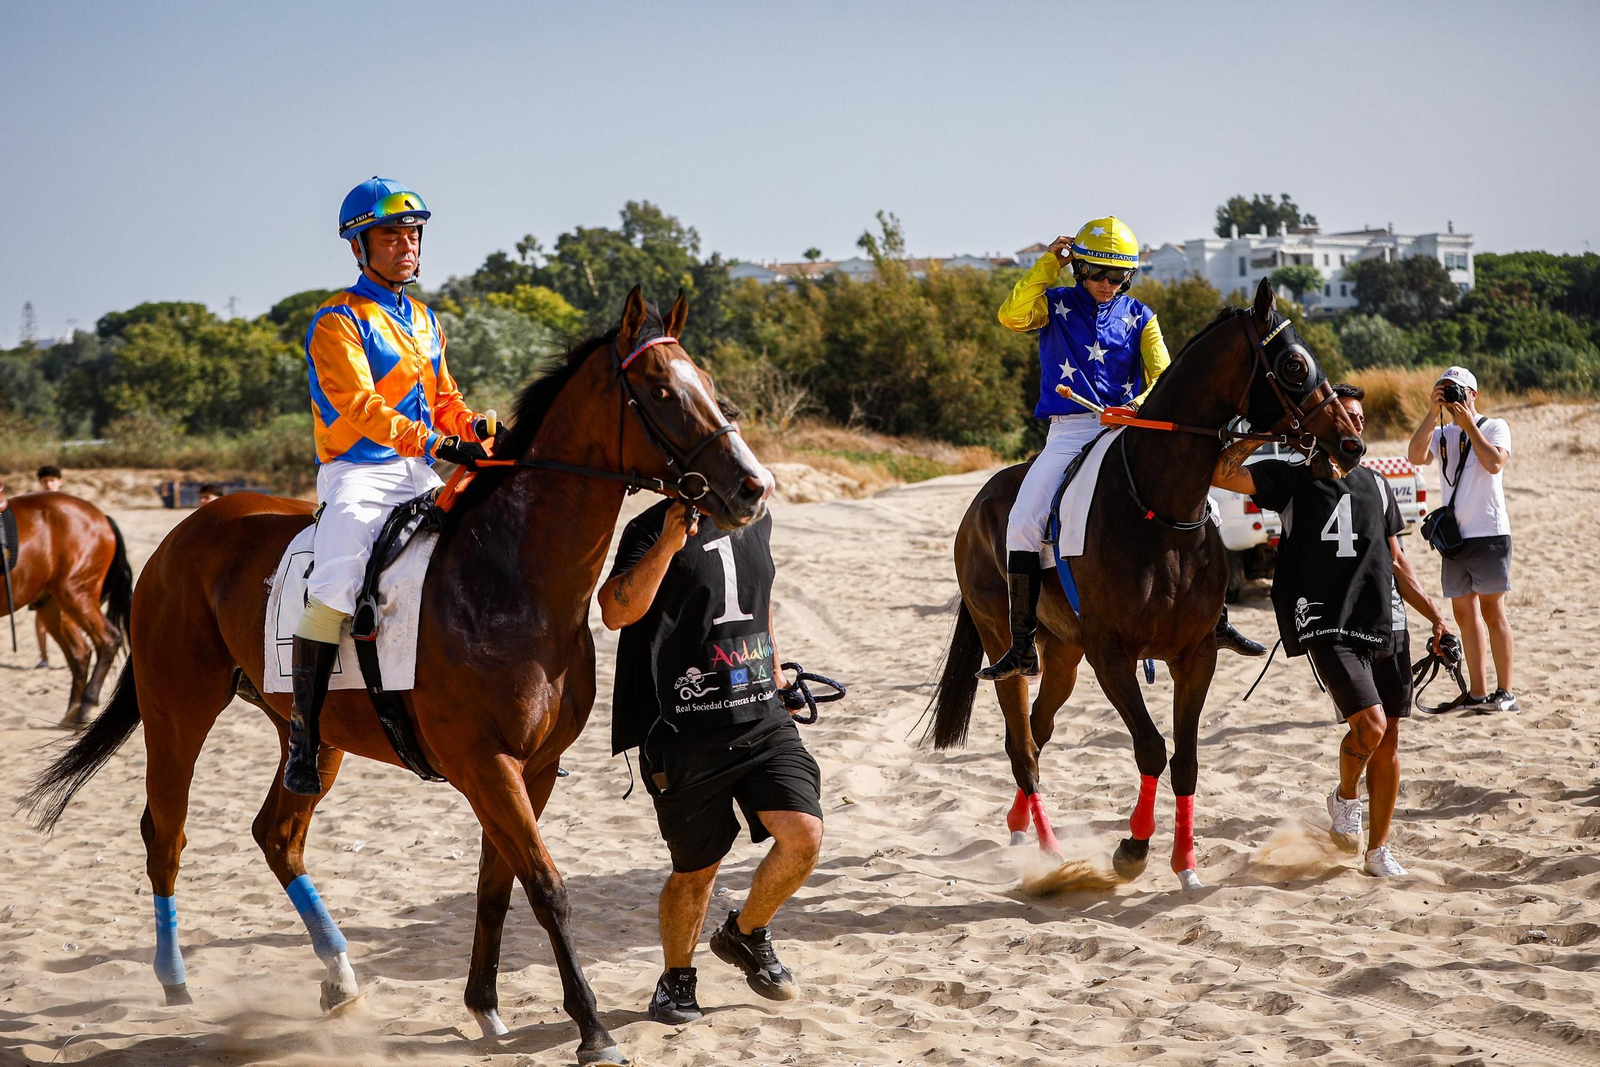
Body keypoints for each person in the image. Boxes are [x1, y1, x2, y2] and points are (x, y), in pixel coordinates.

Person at [979, 216, 1262, 681]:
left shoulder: (1141, 317)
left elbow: (1164, 379)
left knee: (1206, 507)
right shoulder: (1053, 305)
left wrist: (1133, 405)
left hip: (1129, 428)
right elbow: (1010, 315)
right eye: (1097, 274)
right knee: (1024, 521)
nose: (1108, 284)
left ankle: (1219, 621)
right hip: (1070, 431)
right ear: (1078, 268)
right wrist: (1049, 262)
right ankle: (1024, 645)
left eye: (1118, 277)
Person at [283, 177, 493, 796]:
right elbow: (361, 406)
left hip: (419, 470)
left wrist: (473, 427)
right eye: (389, 236)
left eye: (411, 234)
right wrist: (435, 442)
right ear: (360, 247)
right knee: (336, 585)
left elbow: (444, 399)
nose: (405, 245)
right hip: (358, 473)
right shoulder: (337, 319)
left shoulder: (427, 320)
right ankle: (303, 733)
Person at [599, 483, 822, 1026]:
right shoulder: (649, 528)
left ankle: (745, 934)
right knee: (697, 871)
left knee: (804, 834)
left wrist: (775, 674)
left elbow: (759, 602)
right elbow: (614, 612)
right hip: (683, 729)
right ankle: (676, 979)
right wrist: (666, 546)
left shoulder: (757, 517)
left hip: (762, 713)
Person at [1213, 384, 1452, 877]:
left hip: (1386, 620)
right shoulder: (1290, 480)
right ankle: (1346, 798)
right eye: (1345, 417)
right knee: (1371, 726)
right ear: (1324, 426)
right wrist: (1263, 432)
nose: (1355, 424)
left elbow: (1398, 561)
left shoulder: (1378, 485)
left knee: (1389, 744)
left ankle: (1378, 850)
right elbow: (1220, 472)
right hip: (1326, 621)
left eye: (1360, 418)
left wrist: (1436, 616)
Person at [1406, 366, 1516, 713]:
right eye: (1447, 390)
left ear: (1474, 394)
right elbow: (1413, 457)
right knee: (1464, 614)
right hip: (1453, 539)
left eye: (1459, 391)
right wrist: (1430, 412)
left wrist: (1469, 424)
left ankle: (1506, 692)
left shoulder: (1495, 426)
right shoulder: (1443, 433)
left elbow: (1495, 463)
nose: (1455, 397)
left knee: (1492, 610)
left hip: (1488, 533)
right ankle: (1478, 693)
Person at [30, 466, 64, 667]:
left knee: (70, 615)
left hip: (64, 568)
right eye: (44, 481)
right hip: (41, 569)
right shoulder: (34, 505)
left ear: (60, 481)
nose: (48, 484)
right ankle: (44, 657)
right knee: (40, 615)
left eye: (52, 480)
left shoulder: (69, 506)